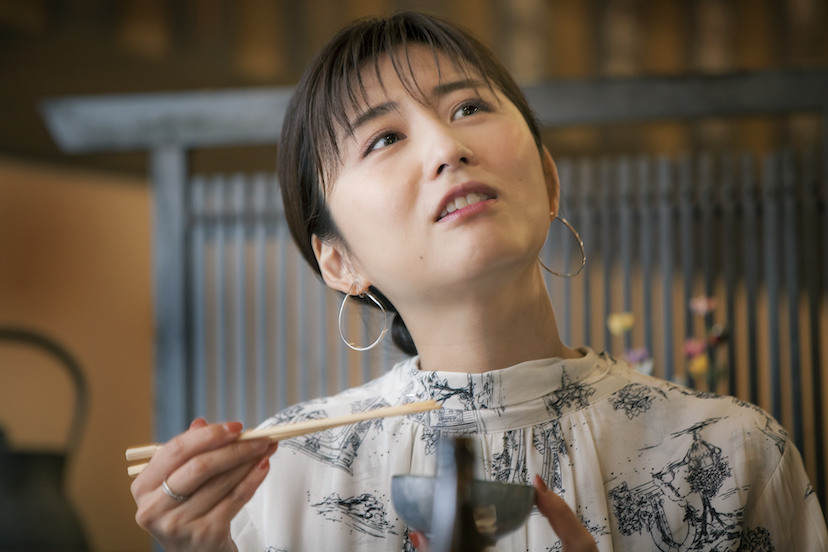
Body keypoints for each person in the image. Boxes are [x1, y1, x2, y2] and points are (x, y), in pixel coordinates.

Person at [131, 11, 828, 552]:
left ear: (549, 180)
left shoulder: (733, 455)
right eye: (383, 138)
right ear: (339, 261)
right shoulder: (279, 481)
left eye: (468, 107)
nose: (446, 147)